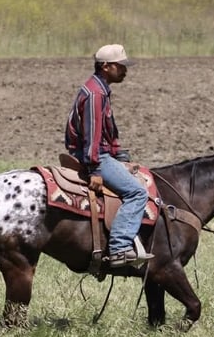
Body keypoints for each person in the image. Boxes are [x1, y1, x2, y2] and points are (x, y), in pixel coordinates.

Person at [65, 44, 154, 268]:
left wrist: (120, 157)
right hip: (94, 156)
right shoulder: (96, 94)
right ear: (106, 66)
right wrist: (94, 169)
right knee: (137, 193)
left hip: (101, 153)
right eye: (120, 66)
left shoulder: (100, 89)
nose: (125, 70)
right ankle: (119, 248)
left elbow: (108, 133)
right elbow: (92, 134)